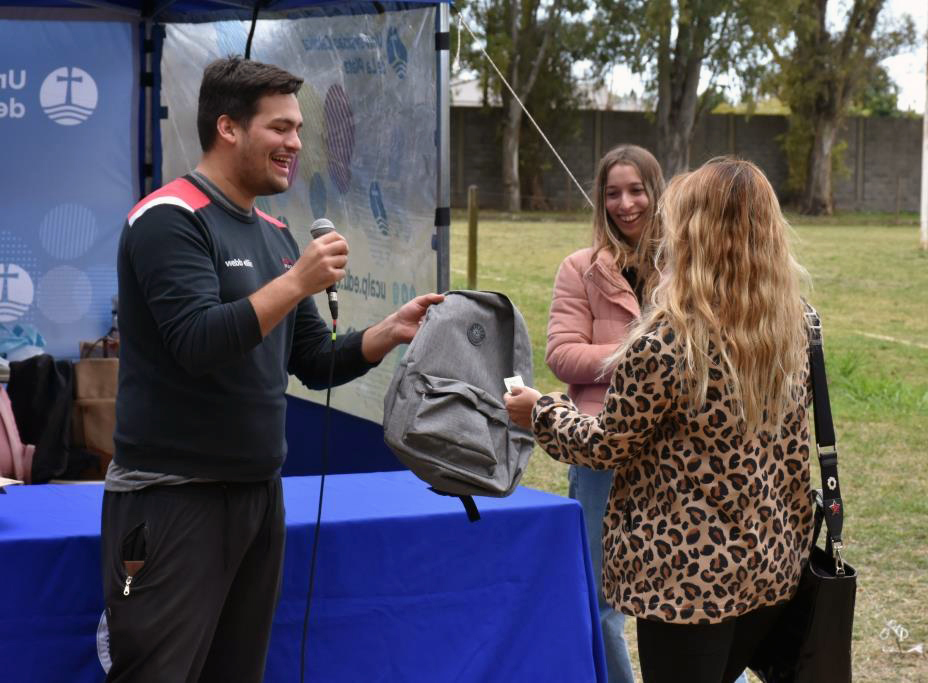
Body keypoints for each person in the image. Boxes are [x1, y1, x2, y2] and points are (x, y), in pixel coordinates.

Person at [100, 57, 443, 683]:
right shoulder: (168, 219)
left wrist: (387, 333)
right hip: (174, 500)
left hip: (259, 496)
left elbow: (311, 361)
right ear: (228, 127)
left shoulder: (276, 232)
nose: (296, 145)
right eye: (280, 128)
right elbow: (197, 341)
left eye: (300, 130)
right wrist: (295, 281)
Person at [506, 158, 815, 683]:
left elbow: (605, 444)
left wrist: (538, 409)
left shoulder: (669, 341)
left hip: (683, 580)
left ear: (694, 232)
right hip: (769, 564)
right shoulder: (798, 323)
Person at [545, 144, 663, 683]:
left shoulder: (690, 265)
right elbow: (562, 354)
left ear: (657, 192)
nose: (625, 203)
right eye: (613, 192)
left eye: (636, 189)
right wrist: (640, 358)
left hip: (677, 450)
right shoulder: (580, 268)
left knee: (692, 592)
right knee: (599, 598)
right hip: (599, 446)